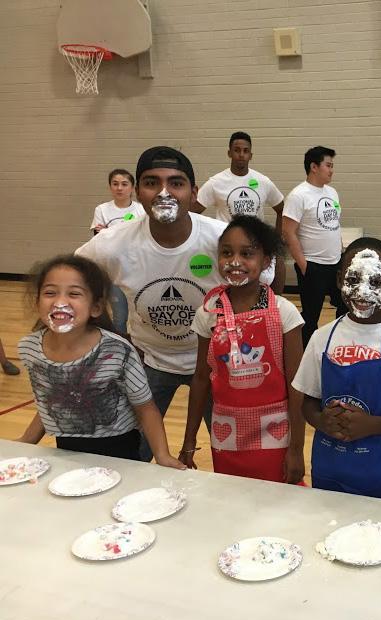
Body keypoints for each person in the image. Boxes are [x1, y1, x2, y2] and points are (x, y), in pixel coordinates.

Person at [76, 146, 229, 461]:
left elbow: (268, 275)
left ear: (194, 193)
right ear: (138, 192)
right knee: (134, 453)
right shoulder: (113, 243)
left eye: (176, 183)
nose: (164, 193)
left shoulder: (222, 238)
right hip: (149, 361)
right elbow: (72, 279)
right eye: (151, 182)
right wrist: (108, 337)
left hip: (214, 363)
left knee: (230, 452)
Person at [293, 237, 381, 503]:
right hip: (329, 474)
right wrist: (321, 420)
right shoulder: (321, 338)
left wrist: (373, 425)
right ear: (339, 280)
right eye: (353, 279)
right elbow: (309, 402)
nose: (362, 291)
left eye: (375, 282)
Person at [17, 253, 184, 469]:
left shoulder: (117, 350)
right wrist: (26, 441)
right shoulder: (29, 348)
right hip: (66, 449)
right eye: (50, 293)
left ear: (96, 307)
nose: (60, 302)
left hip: (119, 448)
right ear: (37, 302)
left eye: (74, 293)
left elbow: (146, 409)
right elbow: (49, 402)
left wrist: (162, 455)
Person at [179, 216, 305, 484]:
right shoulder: (208, 313)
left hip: (276, 432)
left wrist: (296, 449)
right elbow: (201, 379)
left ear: (266, 261)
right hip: (227, 433)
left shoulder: (284, 312)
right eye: (227, 253)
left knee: (277, 499)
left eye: (246, 254)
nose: (235, 261)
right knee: (232, 498)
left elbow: (297, 385)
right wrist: (189, 440)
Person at [193, 131, 286, 293]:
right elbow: (192, 212)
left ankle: (271, 305)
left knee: (268, 278)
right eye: (237, 150)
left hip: (254, 245)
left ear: (251, 155)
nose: (241, 155)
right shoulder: (216, 182)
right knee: (229, 291)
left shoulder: (263, 181)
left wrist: (277, 239)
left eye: (245, 151)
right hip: (228, 249)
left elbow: (281, 209)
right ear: (229, 153)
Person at [282, 146, 346, 348]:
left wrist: (341, 251)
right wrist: (304, 265)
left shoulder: (332, 192)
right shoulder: (298, 195)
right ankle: (305, 354)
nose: (332, 170)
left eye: (332, 166)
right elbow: (288, 232)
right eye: (328, 165)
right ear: (314, 167)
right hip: (312, 265)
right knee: (310, 316)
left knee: (345, 307)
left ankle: (337, 345)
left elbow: (334, 224)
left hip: (336, 263)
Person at [91, 168, 145, 334]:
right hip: (113, 270)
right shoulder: (102, 209)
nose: (119, 188)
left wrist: (109, 231)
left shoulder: (141, 209)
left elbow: (144, 237)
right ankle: (120, 343)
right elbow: (99, 238)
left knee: (139, 314)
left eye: (124, 184)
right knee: (120, 315)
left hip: (136, 268)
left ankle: (139, 344)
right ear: (110, 187)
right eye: (115, 184)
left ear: (132, 188)